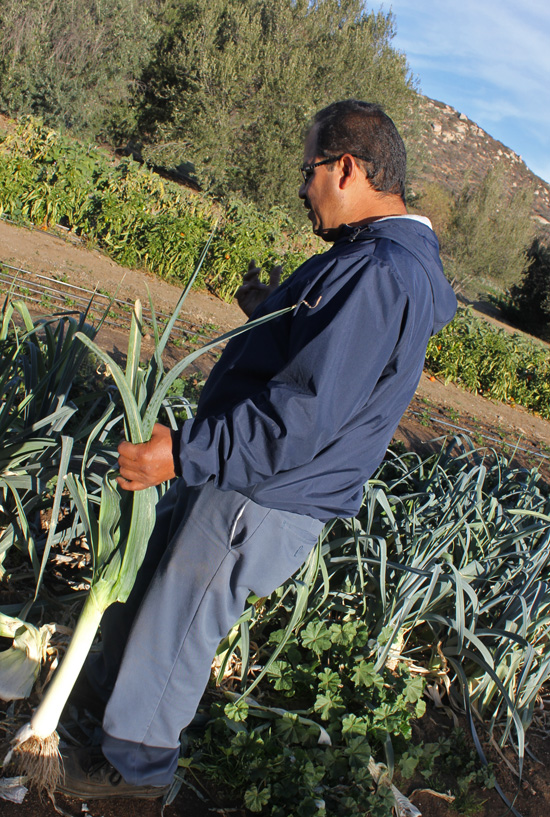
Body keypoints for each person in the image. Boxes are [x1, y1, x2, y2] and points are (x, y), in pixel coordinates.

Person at [59, 99, 457, 799]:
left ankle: (133, 782)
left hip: (262, 492)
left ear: (346, 167)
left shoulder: (378, 272)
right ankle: (106, 745)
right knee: (161, 616)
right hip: (259, 482)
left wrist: (180, 453)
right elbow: (333, 362)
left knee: (175, 634)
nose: (302, 188)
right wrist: (269, 311)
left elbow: (301, 418)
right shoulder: (380, 261)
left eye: (309, 172)